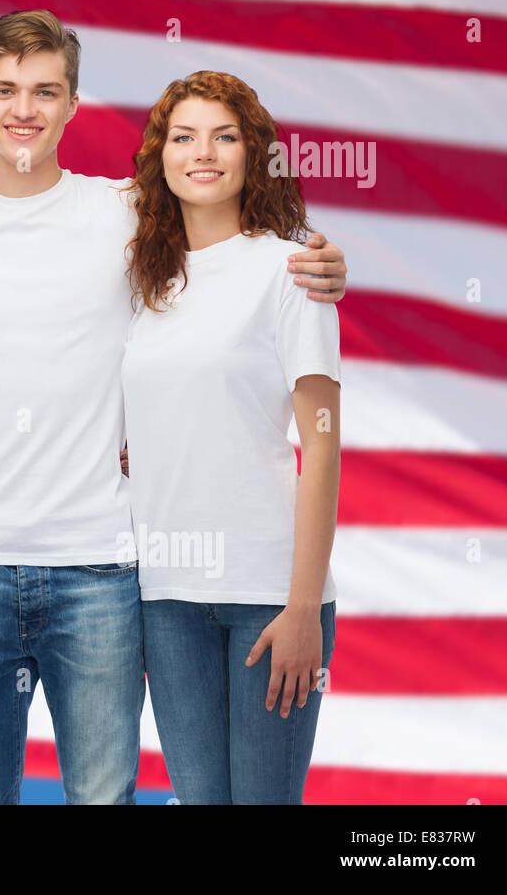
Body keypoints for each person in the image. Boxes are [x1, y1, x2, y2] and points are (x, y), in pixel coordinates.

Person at [0, 10, 348, 804]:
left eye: (46, 89)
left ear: (74, 104)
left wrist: (323, 259)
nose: (25, 107)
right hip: (73, 575)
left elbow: (316, 427)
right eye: (6, 89)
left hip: (118, 569)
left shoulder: (127, 217)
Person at [119, 71, 340, 804]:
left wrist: (303, 606)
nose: (202, 152)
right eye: (183, 137)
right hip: (167, 594)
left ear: (253, 153)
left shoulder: (291, 267)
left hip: (267, 592)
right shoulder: (144, 282)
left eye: (224, 135)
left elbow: (323, 445)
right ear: (162, 157)